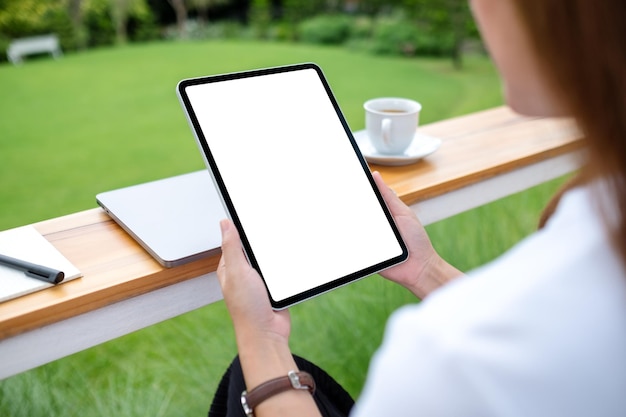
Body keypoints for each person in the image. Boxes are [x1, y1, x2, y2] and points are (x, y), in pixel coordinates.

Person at [211, 0, 626, 415]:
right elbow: (542, 342)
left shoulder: (450, 360)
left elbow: (503, 345)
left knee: (241, 381)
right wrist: (427, 270)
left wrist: (259, 338)